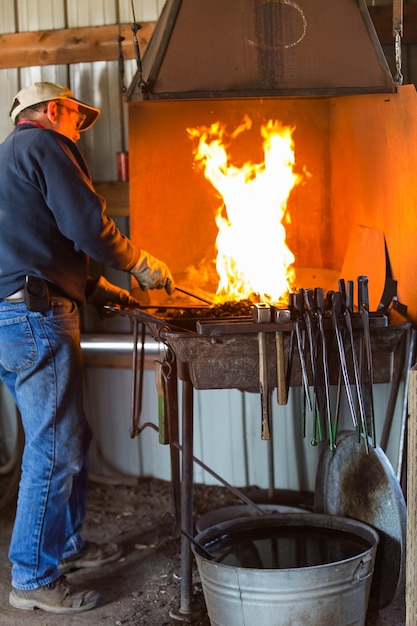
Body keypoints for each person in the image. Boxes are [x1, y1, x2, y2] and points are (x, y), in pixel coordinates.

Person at [0, 81, 174, 614]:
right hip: (34, 318)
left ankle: (67, 545)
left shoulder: (9, 159)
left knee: (66, 437)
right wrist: (138, 261)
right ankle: (31, 578)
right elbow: (84, 225)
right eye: (77, 118)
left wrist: (103, 290)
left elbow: (44, 243)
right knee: (55, 447)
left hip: (14, 315)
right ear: (53, 110)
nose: (79, 131)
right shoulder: (44, 145)